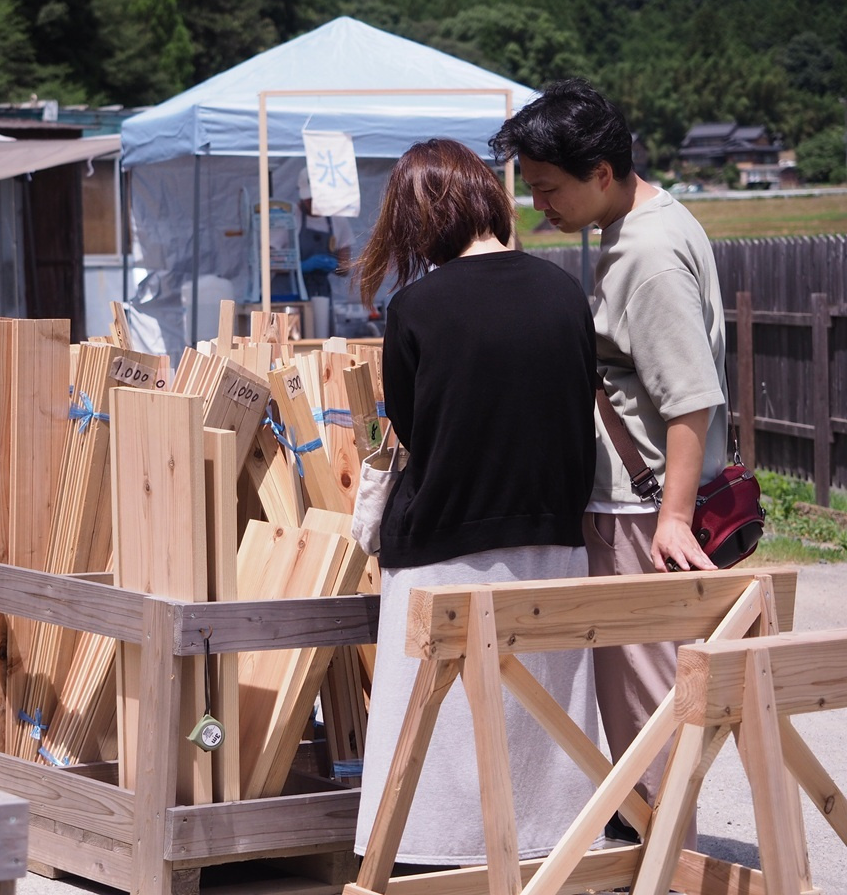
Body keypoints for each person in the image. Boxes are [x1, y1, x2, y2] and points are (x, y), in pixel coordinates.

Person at [490, 78, 728, 837]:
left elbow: (691, 397)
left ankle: (657, 863)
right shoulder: (648, 226)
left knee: (646, 703)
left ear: (600, 172)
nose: (539, 207)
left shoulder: (649, 256)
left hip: (641, 509)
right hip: (643, 501)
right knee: (645, 700)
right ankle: (651, 848)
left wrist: (673, 518)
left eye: (548, 189)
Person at [352, 138, 599, 867]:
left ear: (420, 216)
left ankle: (423, 864)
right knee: (543, 734)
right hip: (555, 548)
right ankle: (550, 859)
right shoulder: (564, 293)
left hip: (442, 554)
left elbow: (410, 425)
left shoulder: (417, 307)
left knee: (431, 745)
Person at [296, 167, 352, 300]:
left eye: (318, 198)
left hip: (322, 293)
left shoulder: (338, 221)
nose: (314, 203)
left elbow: (345, 268)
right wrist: (301, 266)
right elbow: (270, 262)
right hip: (292, 291)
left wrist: (335, 265)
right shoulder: (291, 218)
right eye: (309, 199)